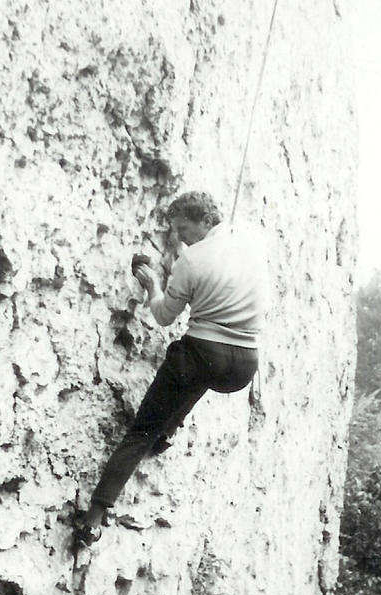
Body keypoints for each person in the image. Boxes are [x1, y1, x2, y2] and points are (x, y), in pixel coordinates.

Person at [73, 191, 268, 548]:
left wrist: (153, 285)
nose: (179, 237)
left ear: (205, 221)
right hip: (244, 364)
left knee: (140, 432)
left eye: (183, 228)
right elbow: (221, 262)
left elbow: (164, 317)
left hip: (203, 353)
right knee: (196, 377)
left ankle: (94, 518)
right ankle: (170, 430)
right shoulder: (252, 241)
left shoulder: (191, 262)